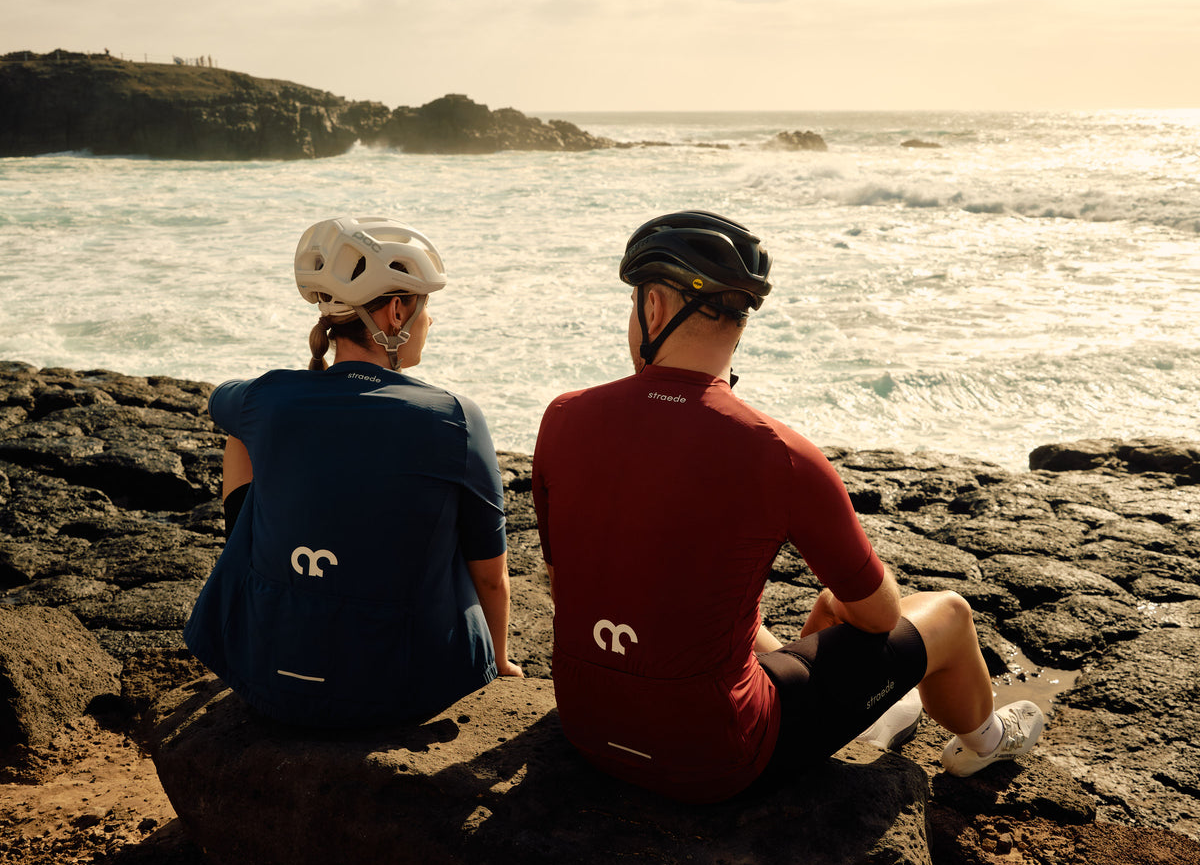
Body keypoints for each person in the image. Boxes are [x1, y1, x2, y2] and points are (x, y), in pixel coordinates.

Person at [532, 210, 1042, 803]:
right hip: (715, 757)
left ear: (652, 308)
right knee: (948, 614)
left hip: (588, 726)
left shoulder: (562, 416)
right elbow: (879, 618)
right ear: (741, 321)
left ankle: (867, 716)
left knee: (801, 613)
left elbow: (561, 580)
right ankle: (988, 740)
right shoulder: (778, 451)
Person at [185, 214, 521, 728]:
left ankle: (256, 572)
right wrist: (498, 660)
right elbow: (490, 576)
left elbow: (220, 401)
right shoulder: (454, 417)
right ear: (395, 311)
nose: (430, 322)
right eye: (426, 308)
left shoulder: (269, 397)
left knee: (243, 434)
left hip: (271, 672)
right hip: (401, 691)